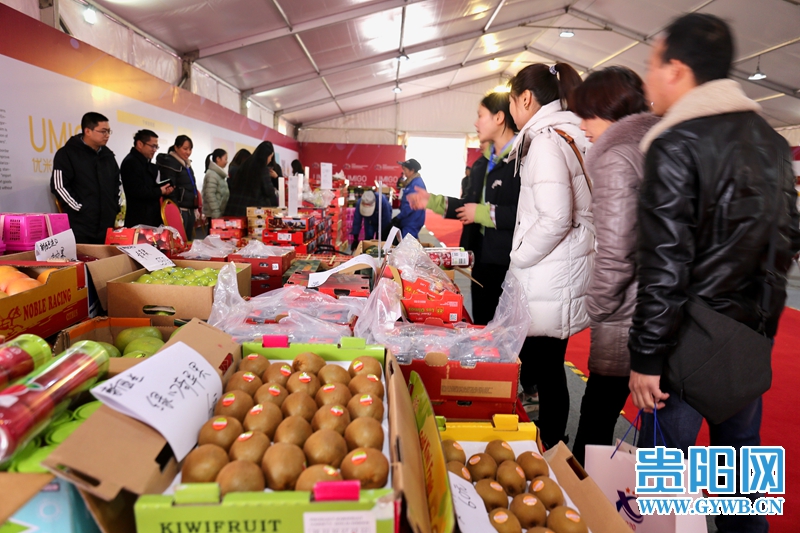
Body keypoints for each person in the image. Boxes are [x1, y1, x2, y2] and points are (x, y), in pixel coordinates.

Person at [628, 14, 800, 533]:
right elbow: (787, 238)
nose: (648, 79)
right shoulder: (771, 142)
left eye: (652, 65)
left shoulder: (675, 142)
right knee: (742, 489)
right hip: (749, 341)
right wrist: (758, 324)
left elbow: (664, 261)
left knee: (659, 498)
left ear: (677, 70)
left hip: (685, 348)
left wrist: (647, 357)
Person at [567, 67, 659, 466]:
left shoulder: (615, 156)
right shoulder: (654, 146)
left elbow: (617, 248)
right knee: (654, 424)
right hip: (659, 309)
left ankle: (585, 508)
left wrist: (598, 304)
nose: (583, 125)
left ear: (609, 109)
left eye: (588, 113)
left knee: (597, 418)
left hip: (626, 314)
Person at [506, 62, 592, 447]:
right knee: (550, 367)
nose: (511, 110)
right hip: (565, 271)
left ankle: (551, 446)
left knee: (545, 369)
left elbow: (556, 216)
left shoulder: (544, 140)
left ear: (525, 98)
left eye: (511, 101)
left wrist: (520, 255)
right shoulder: (573, 130)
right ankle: (553, 444)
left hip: (548, 274)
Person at [406, 91, 519, 325]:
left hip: (509, 264)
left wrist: (479, 213)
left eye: (481, 115)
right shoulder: (481, 164)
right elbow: (467, 205)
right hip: (480, 260)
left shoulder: (521, 160)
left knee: (504, 330)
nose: (476, 123)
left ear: (499, 118)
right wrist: (431, 201)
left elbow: (524, 213)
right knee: (481, 323)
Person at [50, 112, 120, 244]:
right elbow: (59, 186)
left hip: (107, 224)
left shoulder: (108, 156)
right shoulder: (67, 154)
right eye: (103, 131)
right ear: (87, 131)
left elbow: (117, 183)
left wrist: (114, 206)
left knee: (105, 263)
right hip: (81, 225)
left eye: (109, 131)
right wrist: (79, 208)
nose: (107, 135)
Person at [121, 129, 174, 228]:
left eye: (156, 147)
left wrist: (162, 190)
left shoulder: (146, 163)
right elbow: (138, 190)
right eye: (152, 146)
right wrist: (159, 191)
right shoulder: (131, 162)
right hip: (139, 220)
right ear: (140, 144)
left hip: (151, 218)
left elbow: (149, 187)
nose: (155, 150)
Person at [158, 135, 199, 240]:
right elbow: (171, 190)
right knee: (178, 242)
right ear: (176, 148)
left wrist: (195, 208)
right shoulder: (170, 164)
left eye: (190, 149)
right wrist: (176, 211)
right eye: (185, 149)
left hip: (189, 208)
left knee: (188, 241)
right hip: (180, 209)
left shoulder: (186, 164)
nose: (188, 152)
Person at [224, 141, 277, 216]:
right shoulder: (262, 168)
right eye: (270, 157)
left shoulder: (246, 164)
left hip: (235, 207)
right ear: (266, 156)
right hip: (252, 211)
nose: (270, 160)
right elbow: (269, 191)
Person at [392, 159, 426, 238]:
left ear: (412, 170)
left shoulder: (416, 184)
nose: (404, 172)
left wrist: (398, 217)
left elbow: (410, 205)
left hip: (412, 221)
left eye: (405, 170)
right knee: (409, 244)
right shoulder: (412, 182)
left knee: (407, 246)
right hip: (410, 220)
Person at [202, 149, 229, 222]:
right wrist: (216, 211)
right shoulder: (212, 174)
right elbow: (210, 195)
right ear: (218, 159)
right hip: (213, 213)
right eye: (225, 159)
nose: (227, 162)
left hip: (218, 212)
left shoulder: (218, 174)